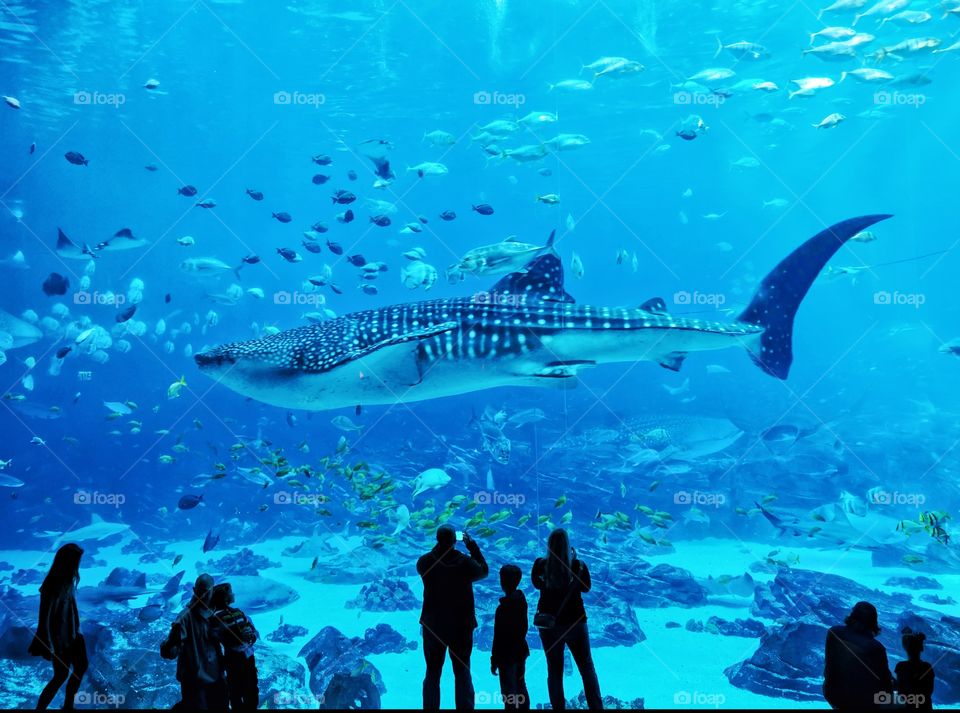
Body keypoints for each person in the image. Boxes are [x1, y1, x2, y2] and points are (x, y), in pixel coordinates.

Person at [417, 524, 489, 710]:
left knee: (432, 672)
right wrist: (472, 546)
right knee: (462, 671)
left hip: (433, 626)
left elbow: (429, 560)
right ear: (454, 541)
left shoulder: (425, 562)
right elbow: (484, 570)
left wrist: (440, 546)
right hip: (461, 627)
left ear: (437, 539)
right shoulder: (465, 563)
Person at [531, 528, 602, 710]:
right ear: (568, 545)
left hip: (549, 625)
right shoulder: (578, 565)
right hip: (576, 623)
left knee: (554, 671)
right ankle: (596, 706)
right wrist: (574, 561)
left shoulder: (540, 565)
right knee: (586, 668)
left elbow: (537, 584)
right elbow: (586, 588)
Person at [28, 543, 88, 710]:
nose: (78, 564)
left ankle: (68, 706)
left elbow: (72, 606)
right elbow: (44, 615)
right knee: (60, 675)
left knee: (81, 667)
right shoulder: (52, 584)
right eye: (76, 560)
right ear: (67, 561)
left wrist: (77, 628)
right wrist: (44, 639)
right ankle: (41, 709)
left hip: (74, 633)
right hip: (60, 636)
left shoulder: (69, 579)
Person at [160, 573, 227, 710]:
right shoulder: (184, 618)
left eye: (206, 592)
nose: (202, 595)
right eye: (200, 591)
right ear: (194, 590)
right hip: (194, 683)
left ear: (213, 591)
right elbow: (169, 654)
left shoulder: (219, 613)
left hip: (218, 678)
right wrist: (172, 641)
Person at [822, 601, 893, 709]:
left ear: (852, 615)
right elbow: (886, 685)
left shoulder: (833, 632)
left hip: (833, 694)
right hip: (864, 703)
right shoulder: (876, 647)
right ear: (873, 622)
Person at [211, 582, 260, 710]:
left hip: (248, 658)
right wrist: (241, 641)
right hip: (234, 659)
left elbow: (253, 631)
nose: (233, 594)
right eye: (230, 593)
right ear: (225, 597)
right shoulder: (216, 617)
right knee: (236, 692)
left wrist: (250, 638)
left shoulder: (238, 612)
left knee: (251, 690)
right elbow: (219, 638)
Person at [490, 564, 530, 710]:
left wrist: (494, 659)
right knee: (520, 685)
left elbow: (498, 637)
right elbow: (523, 629)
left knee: (508, 692)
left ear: (502, 582)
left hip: (506, 656)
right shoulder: (522, 601)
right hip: (520, 651)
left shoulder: (502, 609)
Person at [894, 627, 934, 710]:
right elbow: (929, 691)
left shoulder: (901, 666)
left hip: (908, 706)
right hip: (925, 707)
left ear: (905, 648)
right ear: (921, 648)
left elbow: (900, 691)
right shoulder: (927, 666)